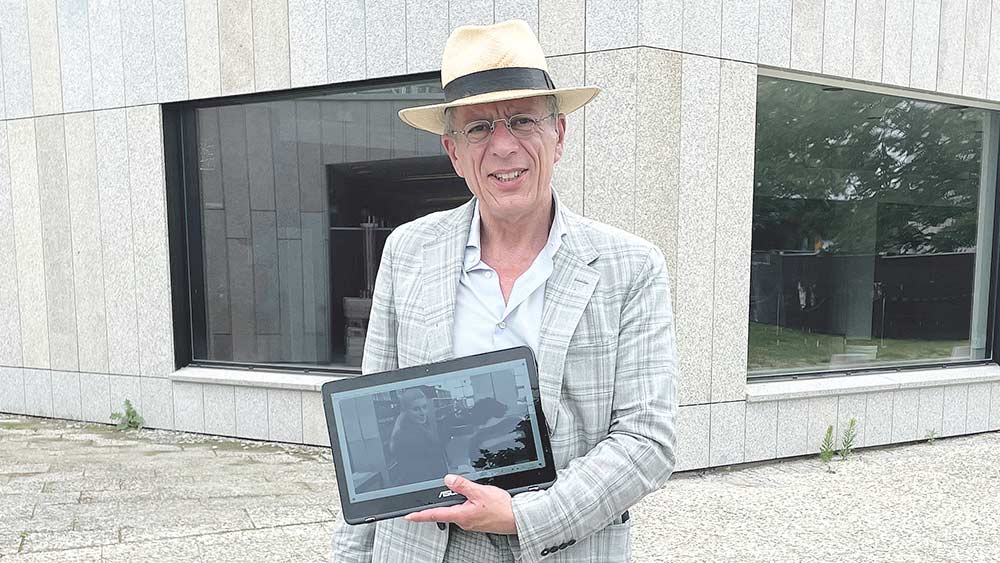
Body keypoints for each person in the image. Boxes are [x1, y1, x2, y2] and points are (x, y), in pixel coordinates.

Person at [331, 19, 678, 563]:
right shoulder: (408, 252)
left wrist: (524, 518)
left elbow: (647, 440)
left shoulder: (630, 267)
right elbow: (369, 438)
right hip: (420, 548)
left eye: (522, 121)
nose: (502, 146)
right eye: (477, 128)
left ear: (558, 135)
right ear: (453, 152)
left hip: (564, 547)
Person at [387, 388, 448, 486]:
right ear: (405, 411)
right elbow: (419, 472)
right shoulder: (406, 435)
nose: (422, 412)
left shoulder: (418, 425)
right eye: (416, 409)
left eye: (424, 407)